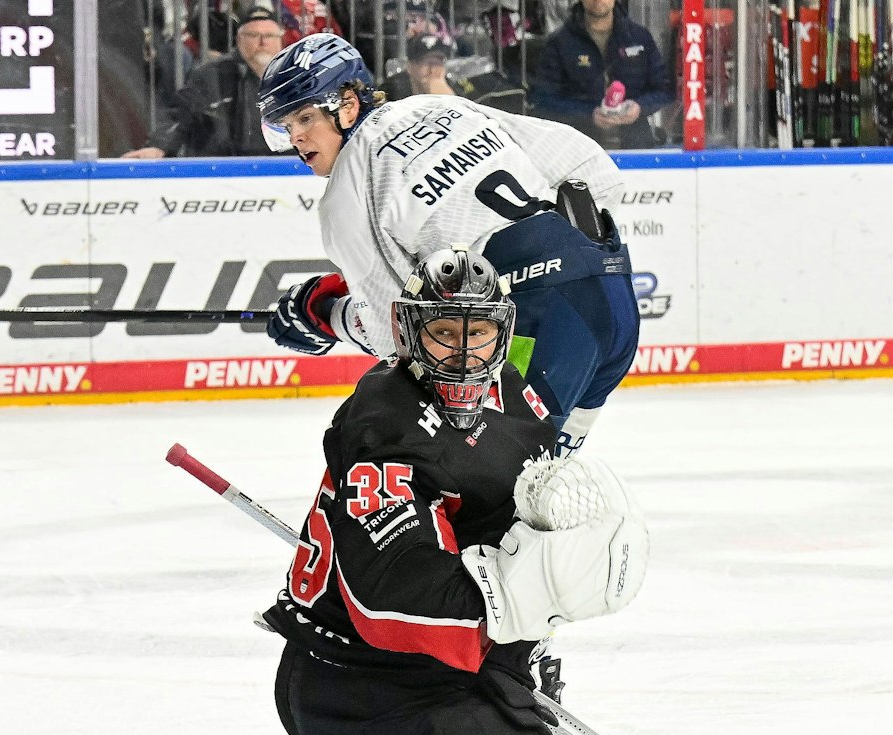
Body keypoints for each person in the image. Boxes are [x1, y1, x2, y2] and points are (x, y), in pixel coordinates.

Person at [105, 248, 648, 735]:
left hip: (430, 680)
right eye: (442, 334)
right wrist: (531, 596)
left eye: (477, 334)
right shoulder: (385, 425)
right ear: (408, 331)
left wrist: (538, 598)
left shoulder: (515, 400)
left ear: (500, 332)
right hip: (359, 684)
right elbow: (396, 605)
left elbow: (508, 530)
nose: (461, 352)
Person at [259, 33, 639, 453]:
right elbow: (596, 171)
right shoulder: (440, 106)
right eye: (287, 125)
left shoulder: (345, 195)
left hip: (537, 330)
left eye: (305, 118)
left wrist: (329, 316)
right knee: (546, 485)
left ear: (347, 105)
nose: (296, 137)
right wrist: (567, 260)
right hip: (614, 298)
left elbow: (398, 340)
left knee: (486, 492)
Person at [124, 8, 292, 158]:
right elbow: (180, 115)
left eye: (269, 36)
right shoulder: (211, 75)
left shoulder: (295, 77)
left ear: (280, 41)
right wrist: (159, 147)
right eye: (253, 35)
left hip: (286, 169)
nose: (262, 42)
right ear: (239, 39)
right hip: (224, 170)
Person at [528, 0, 673, 149]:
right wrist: (589, 114)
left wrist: (639, 107)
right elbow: (542, 100)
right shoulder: (559, 42)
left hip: (636, 147)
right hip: (579, 149)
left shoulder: (639, 37)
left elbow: (664, 89)